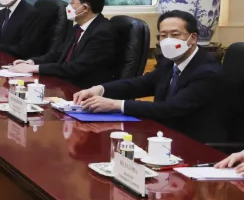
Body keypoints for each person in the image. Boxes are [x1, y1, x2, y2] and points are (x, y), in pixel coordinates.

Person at [75, 11, 226, 144]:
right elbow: (141, 84)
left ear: (193, 38)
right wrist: (100, 89)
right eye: (163, 35)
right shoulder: (169, 62)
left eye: (175, 35)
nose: (168, 40)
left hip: (195, 144)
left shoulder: (207, 72)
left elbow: (170, 109)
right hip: (164, 136)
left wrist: (116, 105)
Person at [11, 0, 116, 88]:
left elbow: (75, 68)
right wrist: (31, 62)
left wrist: (35, 68)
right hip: (66, 85)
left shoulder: (102, 33)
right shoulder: (78, 28)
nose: (68, 6)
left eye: (72, 2)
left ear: (85, 8)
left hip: (84, 91)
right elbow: (58, 54)